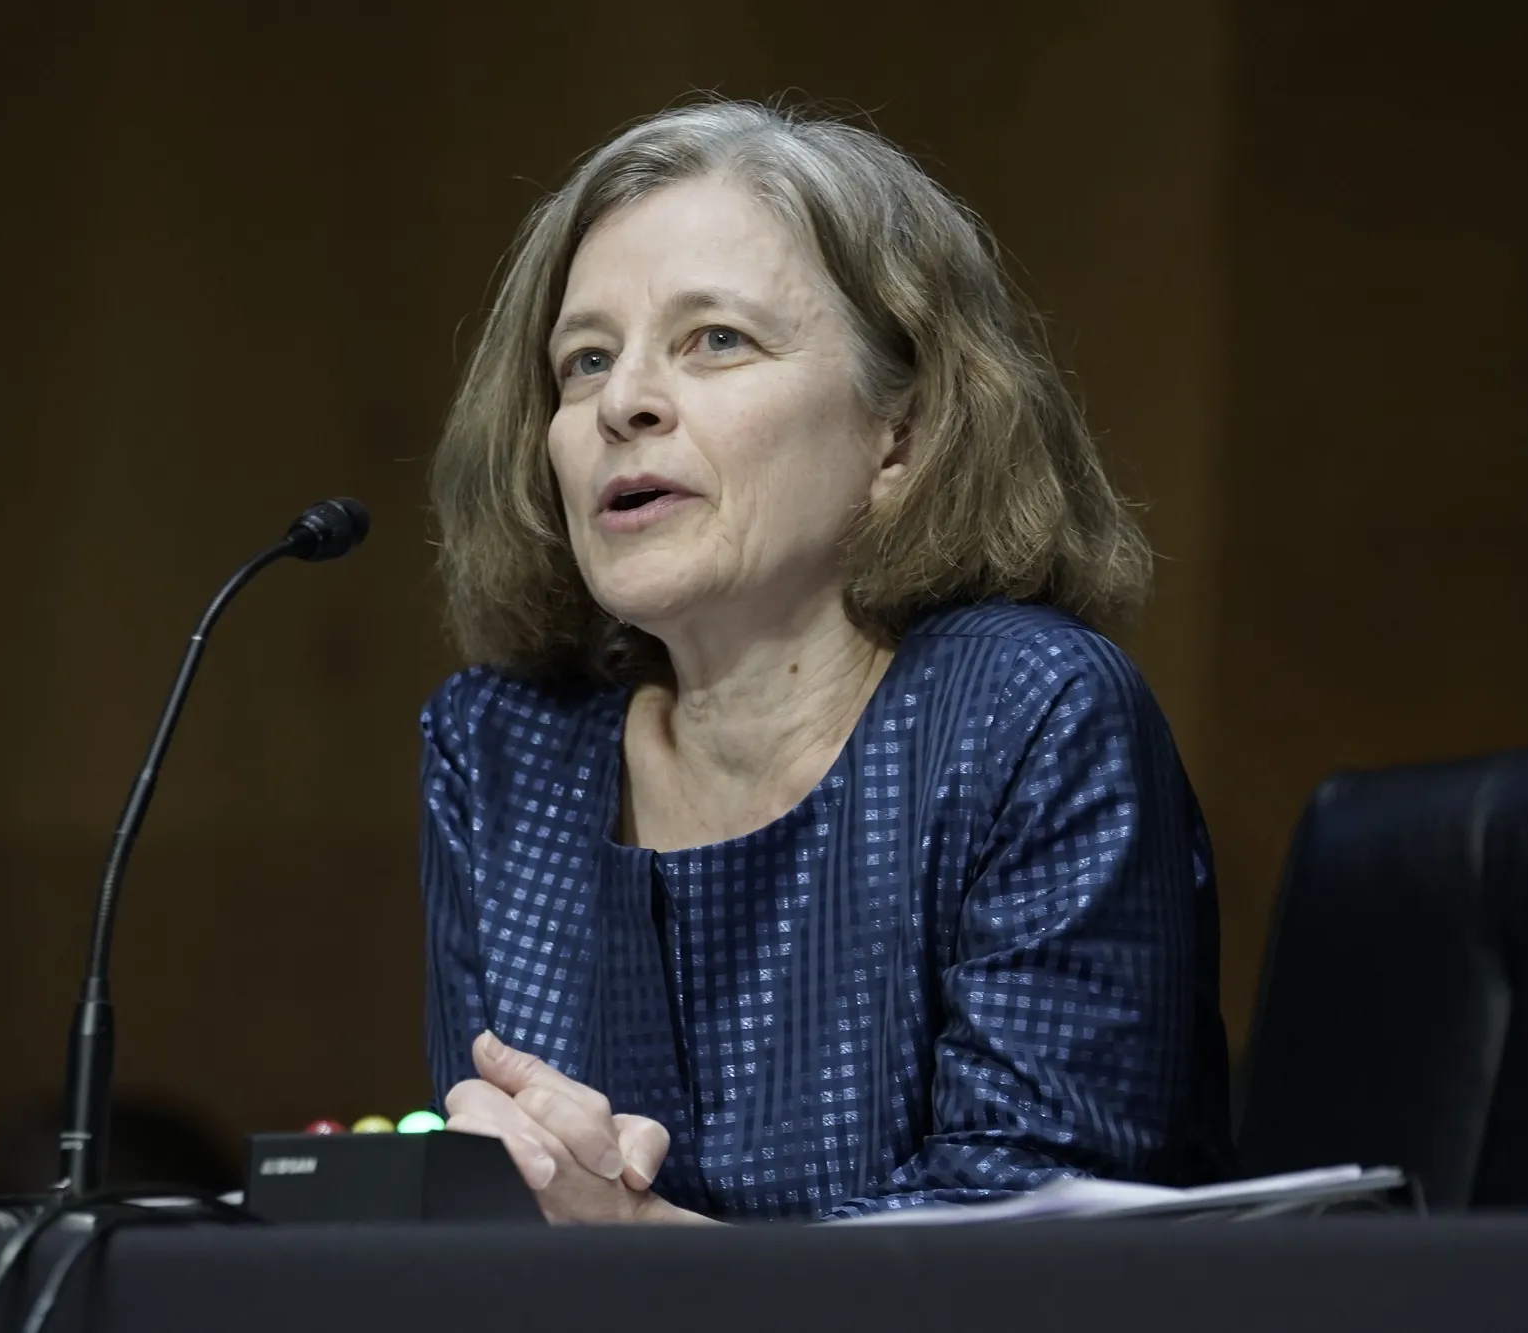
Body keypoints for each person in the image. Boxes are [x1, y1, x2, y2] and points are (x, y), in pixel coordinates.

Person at [419, 98, 1233, 1224]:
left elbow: (1034, 1248)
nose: (623, 403)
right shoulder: (501, 746)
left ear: (899, 437)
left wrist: (639, 1240)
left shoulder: (1026, 713)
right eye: (584, 359)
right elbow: (491, 1202)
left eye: (716, 340)